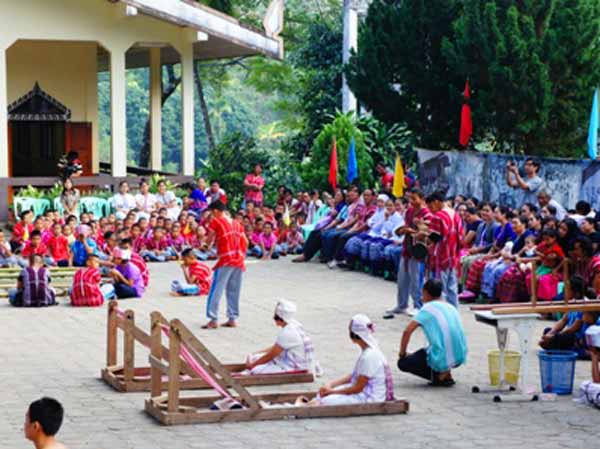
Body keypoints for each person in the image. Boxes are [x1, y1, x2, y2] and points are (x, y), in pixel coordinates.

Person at [302, 314, 394, 406]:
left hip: (369, 398)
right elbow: (354, 376)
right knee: (323, 395)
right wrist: (330, 385)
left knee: (326, 400)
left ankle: (306, 405)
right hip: (361, 393)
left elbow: (358, 388)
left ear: (354, 335)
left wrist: (331, 392)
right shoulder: (367, 352)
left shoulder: (369, 356)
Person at [397, 280, 467, 386]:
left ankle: (440, 374)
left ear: (425, 292)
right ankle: (446, 372)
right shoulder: (451, 307)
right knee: (430, 350)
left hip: (441, 356)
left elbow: (407, 331)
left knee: (402, 363)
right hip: (460, 355)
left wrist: (402, 353)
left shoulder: (427, 308)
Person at [385, 188, 432, 318]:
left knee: (416, 280)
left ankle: (418, 305)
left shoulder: (426, 213)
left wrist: (414, 230)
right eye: (410, 198)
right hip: (406, 248)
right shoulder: (410, 211)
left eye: (414, 198)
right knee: (402, 279)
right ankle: (402, 305)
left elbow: (427, 232)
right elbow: (405, 225)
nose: (411, 201)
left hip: (418, 250)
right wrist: (404, 230)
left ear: (422, 199)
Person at [203, 201, 247, 329]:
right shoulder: (236, 223)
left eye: (212, 213)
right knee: (234, 289)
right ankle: (232, 318)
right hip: (238, 259)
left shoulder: (216, 221)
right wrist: (241, 254)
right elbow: (245, 241)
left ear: (216, 211)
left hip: (226, 259)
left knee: (217, 288)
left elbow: (210, 238)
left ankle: (213, 318)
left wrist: (205, 245)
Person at [244, 300, 316, 375]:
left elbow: (270, 355)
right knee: (255, 357)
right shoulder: (293, 324)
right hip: (288, 360)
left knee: (256, 370)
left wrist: (252, 366)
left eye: (276, 317)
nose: (274, 319)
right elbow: (276, 348)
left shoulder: (288, 332)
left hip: (294, 366)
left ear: (281, 318)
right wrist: (255, 353)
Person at [539, 275, 599, 359]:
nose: (564, 291)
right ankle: (556, 346)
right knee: (547, 331)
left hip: (577, 339)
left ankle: (582, 352)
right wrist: (551, 333)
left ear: (576, 293)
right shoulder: (572, 302)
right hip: (570, 336)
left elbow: (574, 328)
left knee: (562, 338)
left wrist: (555, 337)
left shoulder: (584, 304)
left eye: (567, 289)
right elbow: (563, 321)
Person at [425, 191, 463, 307]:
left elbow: (434, 238)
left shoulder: (438, 216)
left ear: (436, 202)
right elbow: (461, 235)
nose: (431, 210)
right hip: (453, 255)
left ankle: (440, 312)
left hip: (440, 256)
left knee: (440, 288)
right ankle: (454, 312)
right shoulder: (455, 214)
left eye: (431, 206)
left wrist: (424, 236)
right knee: (452, 288)